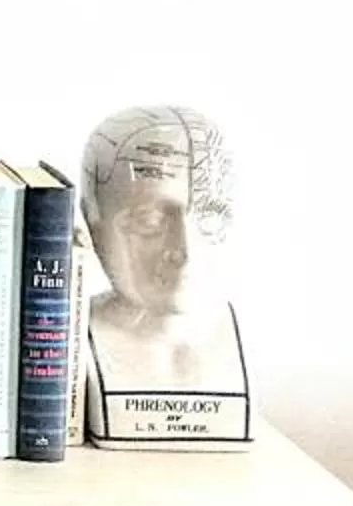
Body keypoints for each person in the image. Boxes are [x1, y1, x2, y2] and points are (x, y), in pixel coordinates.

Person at [80, 104, 244, 394]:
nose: (184, 251)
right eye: (149, 221)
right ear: (95, 225)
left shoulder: (235, 341)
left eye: (209, 218)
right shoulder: (71, 341)